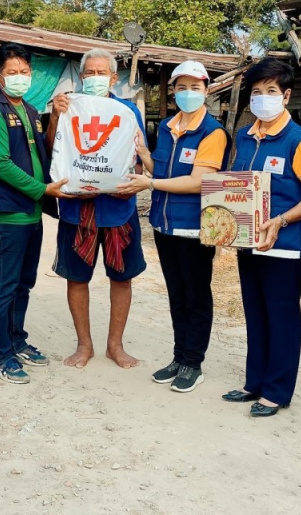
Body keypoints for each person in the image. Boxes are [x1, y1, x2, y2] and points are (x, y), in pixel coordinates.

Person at [219, 59, 301, 417]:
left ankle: (277, 391)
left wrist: (281, 221)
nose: (262, 98)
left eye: (271, 91)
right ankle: (255, 382)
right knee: (255, 313)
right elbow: (236, 185)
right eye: (256, 92)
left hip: (283, 245)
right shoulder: (243, 136)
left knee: (281, 317)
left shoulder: (299, 140)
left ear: (286, 96)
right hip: (248, 242)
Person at [117, 60, 229, 393]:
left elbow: (198, 181)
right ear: (173, 91)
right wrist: (144, 154)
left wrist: (149, 184)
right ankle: (179, 358)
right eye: (181, 87)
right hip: (164, 226)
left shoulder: (213, 133)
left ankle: (193, 362)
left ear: (206, 90)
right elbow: (162, 171)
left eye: (195, 87)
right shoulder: (166, 127)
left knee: (196, 296)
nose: (188, 93)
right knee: (177, 296)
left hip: (195, 229)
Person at [0, 42, 71, 384]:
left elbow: (44, 152)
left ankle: (16, 340)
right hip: (7, 215)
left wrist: (55, 118)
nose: (19, 77)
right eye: (12, 72)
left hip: (31, 214)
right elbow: (0, 164)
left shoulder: (29, 110)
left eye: (25, 72)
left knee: (23, 283)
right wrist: (42, 190)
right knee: (3, 286)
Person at [46, 48, 147, 370]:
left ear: (113, 78)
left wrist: (137, 182)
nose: (95, 78)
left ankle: (115, 346)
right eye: (89, 73)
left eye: (101, 73)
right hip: (78, 211)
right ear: (80, 76)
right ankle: (84, 345)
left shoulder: (128, 110)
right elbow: (52, 149)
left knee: (122, 278)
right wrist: (54, 117)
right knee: (76, 279)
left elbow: (139, 157)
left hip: (118, 209)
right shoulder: (67, 107)